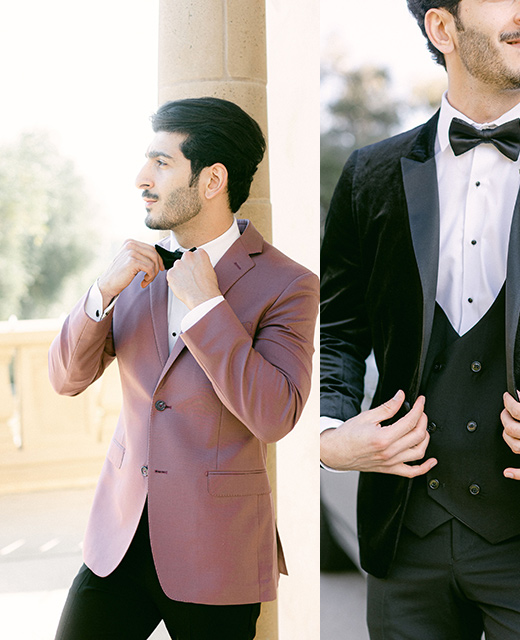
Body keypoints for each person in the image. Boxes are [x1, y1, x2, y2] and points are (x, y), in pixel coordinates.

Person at [315, 1, 520, 637]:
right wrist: (329, 436)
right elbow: (338, 332)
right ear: (443, 27)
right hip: (402, 539)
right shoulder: (369, 176)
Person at [48, 97, 320, 639]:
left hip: (217, 553)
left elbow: (275, 415)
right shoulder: (131, 270)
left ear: (212, 179)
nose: (141, 178)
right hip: (117, 542)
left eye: (161, 162)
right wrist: (102, 291)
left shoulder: (289, 284)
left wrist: (207, 309)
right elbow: (66, 378)